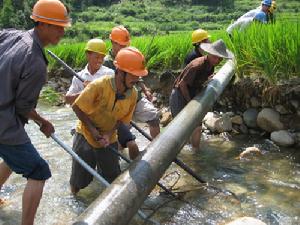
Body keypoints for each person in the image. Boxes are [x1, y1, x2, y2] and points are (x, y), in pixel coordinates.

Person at [0, 0, 70, 224]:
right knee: (39, 170)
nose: (62, 32)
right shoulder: (36, 63)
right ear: (43, 25)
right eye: (58, 26)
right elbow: (23, 107)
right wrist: (42, 121)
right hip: (4, 121)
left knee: (14, 158)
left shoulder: (12, 35)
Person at [70, 47, 148, 195]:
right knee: (79, 180)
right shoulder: (99, 85)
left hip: (109, 138)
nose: (136, 79)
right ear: (120, 72)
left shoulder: (133, 95)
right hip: (85, 134)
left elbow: (121, 121)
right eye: (133, 75)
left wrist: (108, 134)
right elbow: (77, 107)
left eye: (138, 76)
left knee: (112, 179)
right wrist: (93, 131)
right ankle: (74, 199)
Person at [169, 40, 233, 151]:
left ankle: (195, 150)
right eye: (215, 57)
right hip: (180, 94)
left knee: (197, 125)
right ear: (209, 54)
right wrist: (190, 103)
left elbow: (200, 80)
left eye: (220, 58)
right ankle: (174, 151)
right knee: (179, 126)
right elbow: (182, 84)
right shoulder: (197, 65)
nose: (217, 60)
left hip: (193, 93)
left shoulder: (211, 65)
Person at [104, 25, 160, 139]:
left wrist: (145, 90)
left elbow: (137, 75)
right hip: (118, 104)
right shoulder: (107, 62)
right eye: (121, 45)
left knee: (154, 117)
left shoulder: (130, 54)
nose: (123, 47)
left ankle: (157, 148)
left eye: (125, 45)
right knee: (121, 134)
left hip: (135, 98)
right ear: (112, 42)